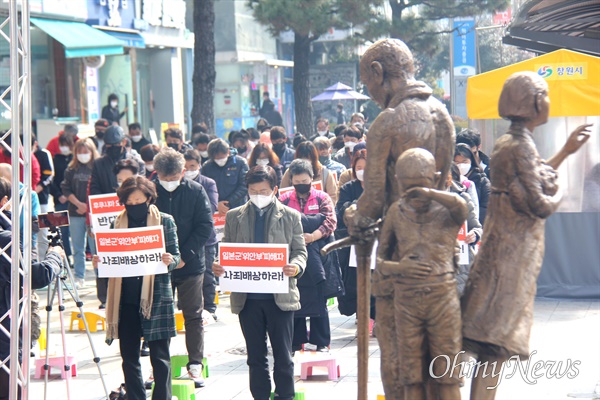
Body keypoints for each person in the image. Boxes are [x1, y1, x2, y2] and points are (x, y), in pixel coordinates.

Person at [461, 71, 591, 399]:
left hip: (505, 254)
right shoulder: (517, 146)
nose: (547, 102)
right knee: (495, 343)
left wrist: (565, 151)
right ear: (531, 102)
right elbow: (540, 203)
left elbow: (531, 177)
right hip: (509, 257)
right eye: (544, 95)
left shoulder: (515, 144)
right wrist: (564, 192)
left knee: (493, 341)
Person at [375, 148, 467, 399]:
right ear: (398, 182)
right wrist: (401, 268)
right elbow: (380, 260)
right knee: (411, 376)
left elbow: (464, 208)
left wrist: (431, 193)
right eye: (409, 186)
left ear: (436, 178)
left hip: (443, 297)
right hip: (407, 300)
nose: (414, 193)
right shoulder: (397, 211)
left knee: (449, 373)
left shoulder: (446, 208)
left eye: (421, 185)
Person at [345, 38, 455, 244]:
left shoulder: (388, 121)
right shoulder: (442, 113)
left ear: (377, 72)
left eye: (367, 82)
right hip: (439, 242)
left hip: (401, 247)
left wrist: (353, 215)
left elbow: (373, 202)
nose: (370, 93)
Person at [213, 165, 307, 400]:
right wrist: (219, 264)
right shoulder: (235, 216)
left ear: (274, 190)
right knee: (255, 357)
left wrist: (295, 267)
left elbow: (299, 251)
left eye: (263, 191)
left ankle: (285, 396)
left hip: (280, 298)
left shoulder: (290, 215)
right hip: (249, 299)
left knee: (284, 356)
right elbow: (228, 249)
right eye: (253, 191)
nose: (258, 196)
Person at [92, 175, 180, 400]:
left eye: (138, 201)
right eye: (129, 203)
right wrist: (100, 262)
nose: (134, 207)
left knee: (160, 357)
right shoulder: (117, 223)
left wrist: (169, 260)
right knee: (129, 357)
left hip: (156, 297)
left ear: (149, 198)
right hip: (126, 300)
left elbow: (177, 256)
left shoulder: (165, 221)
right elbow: (111, 257)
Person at [152, 148, 213, 387]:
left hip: (190, 264)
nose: (168, 183)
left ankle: (195, 364)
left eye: (173, 178)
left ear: (183, 171)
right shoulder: (149, 190)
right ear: (156, 173)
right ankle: (158, 367)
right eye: (164, 179)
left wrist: (184, 255)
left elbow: (204, 225)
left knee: (193, 315)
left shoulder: (196, 190)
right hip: (158, 264)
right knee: (159, 317)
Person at [279, 160, 340, 354]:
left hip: (319, 253)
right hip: (293, 254)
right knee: (294, 297)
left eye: (304, 180)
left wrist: (313, 236)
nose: (301, 184)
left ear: (311, 178)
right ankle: (296, 342)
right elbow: (278, 223)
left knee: (318, 298)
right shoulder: (285, 199)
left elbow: (330, 221)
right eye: (297, 181)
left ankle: (321, 341)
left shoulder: (322, 197)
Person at [0, 216, 63, 400]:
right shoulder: (5, 239)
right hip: (5, 337)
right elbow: (37, 276)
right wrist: (55, 256)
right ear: (5, 202)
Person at [90, 125, 145, 308]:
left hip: (132, 214)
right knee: (104, 257)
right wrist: (99, 212)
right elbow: (95, 188)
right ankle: (105, 298)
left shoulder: (134, 160)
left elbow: (142, 186)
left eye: (115, 144)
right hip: (106, 217)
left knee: (130, 255)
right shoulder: (99, 163)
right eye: (108, 144)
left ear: (123, 142)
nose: (112, 147)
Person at [335, 149, 375, 330]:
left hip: (376, 243)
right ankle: (362, 316)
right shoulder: (348, 188)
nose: (362, 171)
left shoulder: (383, 187)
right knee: (357, 282)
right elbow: (340, 211)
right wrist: (355, 206)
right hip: (354, 243)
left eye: (366, 167)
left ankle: (375, 318)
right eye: (359, 167)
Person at [183, 149, 219, 320]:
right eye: (185, 166)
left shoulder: (208, 183)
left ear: (198, 165)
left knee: (207, 274)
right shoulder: (179, 183)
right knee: (186, 274)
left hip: (206, 238)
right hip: (184, 237)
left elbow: (211, 207)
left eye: (192, 166)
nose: (188, 169)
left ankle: (210, 308)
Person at [61, 138, 100, 289]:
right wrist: (78, 204)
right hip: (76, 212)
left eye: (86, 152)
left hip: (93, 214)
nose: (83, 155)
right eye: (80, 152)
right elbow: (66, 189)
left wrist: (89, 207)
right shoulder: (71, 169)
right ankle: (79, 276)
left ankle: (99, 277)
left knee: (95, 248)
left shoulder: (97, 168)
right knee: (78, 247)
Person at [447, 163, 482, 295]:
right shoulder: (423, 201)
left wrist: (475, 234)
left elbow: (477, 227)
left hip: (461, 264)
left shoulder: (463, 198)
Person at [202, 138, 249, 215]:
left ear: (228, 152)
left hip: (237, 208)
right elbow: (204, 188)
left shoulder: (240, 163)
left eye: (221, 157)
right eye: (216, 159)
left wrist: (228, 203)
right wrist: (216, 203)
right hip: (216, 209)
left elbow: (244, 186)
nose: (219, 160)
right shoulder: (207, 167)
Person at [49, 134, 74, 259]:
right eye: (62, 145)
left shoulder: (75, 159)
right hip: (60, 199)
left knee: (75, 229)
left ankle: (80, 254)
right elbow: (51, 180)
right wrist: (58, 195)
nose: (64, 148)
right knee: (62, 229)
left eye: (66, 145)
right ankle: (67, 255)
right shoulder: (55, 160)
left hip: (74, 200)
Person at [454, 143, 491, 224]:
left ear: (471, 161)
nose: (461, 166)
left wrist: (474, 226)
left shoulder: (482, 181)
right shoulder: (449, 181)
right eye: (457, 162)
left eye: (464, 161)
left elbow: (486, 207)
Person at [32, 133, 54, 258]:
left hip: (42, 200)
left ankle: (42, 261)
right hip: (24, 200)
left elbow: (49, 175)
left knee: (43, 233)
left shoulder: (44, 154)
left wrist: (35, 190)